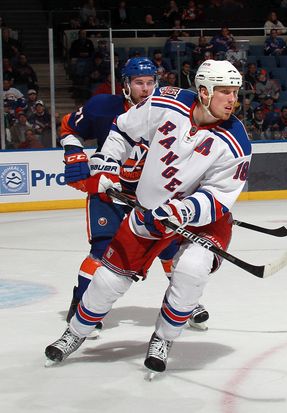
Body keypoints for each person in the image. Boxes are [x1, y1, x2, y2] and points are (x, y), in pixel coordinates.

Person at [45, 59, 252, 375]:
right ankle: (74, 333)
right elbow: (125, 128)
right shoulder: (167, 101)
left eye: (235, 92)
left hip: (204, 219)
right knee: (108, 279)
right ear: (204, 92)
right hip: (149, 210)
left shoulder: (236, 141)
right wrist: (108, 161)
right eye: (225, 91)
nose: (232, 99)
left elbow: (218, 197)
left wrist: (180, 211)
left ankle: (164, 338)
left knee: (191, 269)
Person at [56, 57, 210, 340]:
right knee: (103, 250)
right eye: (139, 83)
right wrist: (74, 154)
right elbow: (68, 128)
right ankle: (80, 307)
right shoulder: (102, 108)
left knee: (168, 247)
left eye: (151, 82)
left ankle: (183, 303)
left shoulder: (169, 111)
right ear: (126, 85)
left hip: (152, 196)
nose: (146, 88)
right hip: (110, 192)